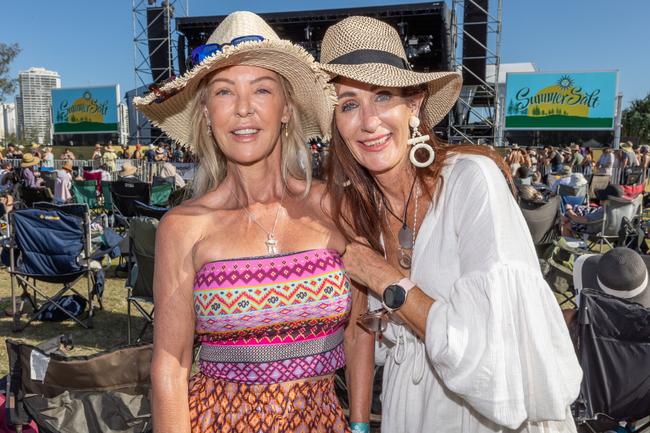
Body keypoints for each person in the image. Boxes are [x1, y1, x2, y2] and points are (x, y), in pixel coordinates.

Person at [320, 16, 581, 433]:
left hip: (487, 419)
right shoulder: (356, 212)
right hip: (409, 409)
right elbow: (361, 335)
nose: (368, 121)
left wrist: (385, 278)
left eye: (383, 96)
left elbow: (496, 365)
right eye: (349, 103)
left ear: (414, 105)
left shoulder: (470, 181)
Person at [134, 11, 368, 433]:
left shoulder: (335, 206)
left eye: (262, 89)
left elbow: (359, 330)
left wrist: (361, 423)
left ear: (285, 110)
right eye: (224, 92)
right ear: (206, 113)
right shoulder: (184, 226)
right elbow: (170, 366)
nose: (243, 109)